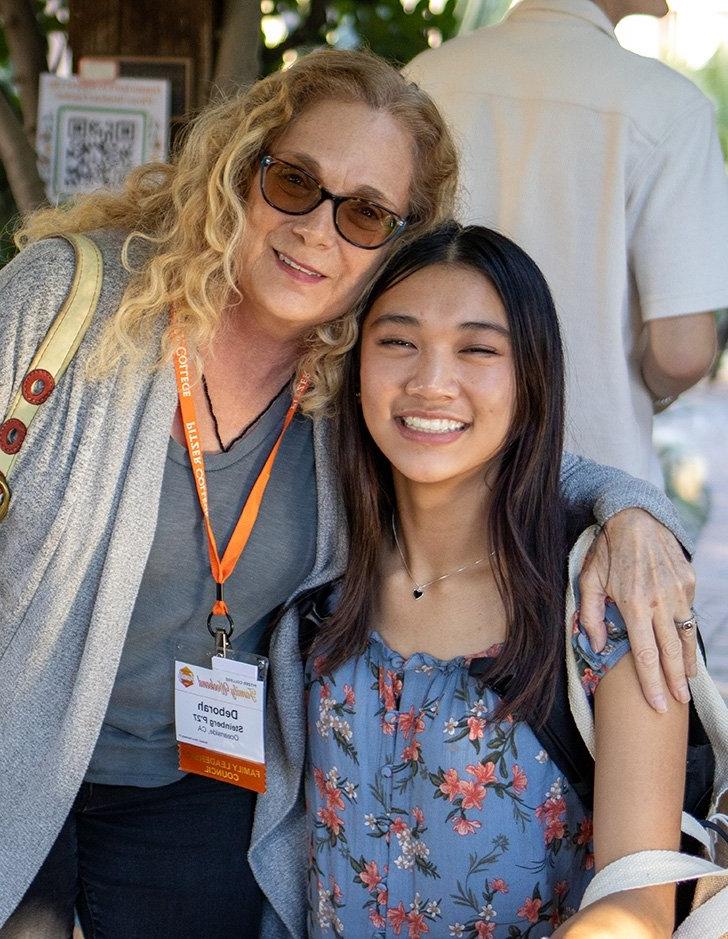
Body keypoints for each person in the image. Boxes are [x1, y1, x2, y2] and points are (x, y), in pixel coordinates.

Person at [0, 50, 693, 938]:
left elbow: (498, 438)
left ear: (397, 241)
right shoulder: (71, 301)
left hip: (194, 790)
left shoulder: (347, 381)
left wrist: (632, 511)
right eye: (294, 182)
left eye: (365, 211)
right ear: (237, 172)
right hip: (18, 751)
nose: (319, 230)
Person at [300, 222, 687, 938]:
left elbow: (640, 901)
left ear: (532, 377)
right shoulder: (317, 577)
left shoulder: (604, 601)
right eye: (397, 342)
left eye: (477, 349)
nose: (430, 381)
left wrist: (634, 512)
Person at [406, 0, 728, 485]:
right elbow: (682, 352)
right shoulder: (669, 106)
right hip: (590, 484)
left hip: (428, 465)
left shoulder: (424, 79)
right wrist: (631, 387)